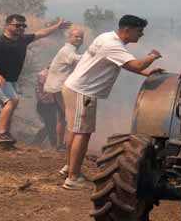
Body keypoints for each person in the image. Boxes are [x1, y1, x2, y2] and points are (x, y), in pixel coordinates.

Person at [60, 15, 162, 190]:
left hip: (74, 88)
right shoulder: (113, 45)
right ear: (127, 30)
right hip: (83, 92)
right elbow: (136, 65)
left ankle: (69, 168)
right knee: (82, 133)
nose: (142, 34)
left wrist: (147, 73)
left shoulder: (105, 37)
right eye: (140, 31)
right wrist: (152, 56)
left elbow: (124, 65)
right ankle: (73, 178)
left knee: (75, 130)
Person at [0, 14, 70, 144]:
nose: (21, 28)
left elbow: (41, 33)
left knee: (8, 107)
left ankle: (4, 137)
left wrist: (56, 27)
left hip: (10, 81)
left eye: (23, 26)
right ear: (7, 25)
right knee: (12, 101)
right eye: (18, 25)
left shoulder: (22, 40)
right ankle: (2, 134)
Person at [44, 27, 84, 150]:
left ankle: (59, 145)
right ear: (69, 37)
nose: (79, 39)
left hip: (57, 87)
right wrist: (95, 55)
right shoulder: (67, 50)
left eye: (81, 37)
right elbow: (78, 60)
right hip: (60, 87)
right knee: (70, 116)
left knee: (62, 116)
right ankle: (70, 145)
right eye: (76, 36)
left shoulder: (69, 50)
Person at [32, 68, 59, 148]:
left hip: (48, 104)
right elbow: (48, 90)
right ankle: (54, 145)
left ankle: (36, 143)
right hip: (46, 104)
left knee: (50, 125)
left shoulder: (47, 74)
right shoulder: (44, 74)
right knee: (50, 125)